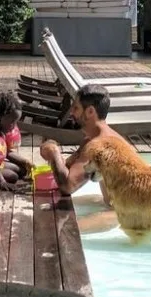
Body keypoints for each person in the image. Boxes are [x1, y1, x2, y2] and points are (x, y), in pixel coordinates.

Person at [40, 84, 131, 233]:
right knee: (45, 208)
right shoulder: (91, 140)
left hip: (125, 214)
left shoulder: (100, 143)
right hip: (109, 203)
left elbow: (68, 187)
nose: (71, 113)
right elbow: (68, 169)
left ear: (90, 112)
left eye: (75, 108)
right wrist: (53, 153)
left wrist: (54, 152)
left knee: (60, 230)